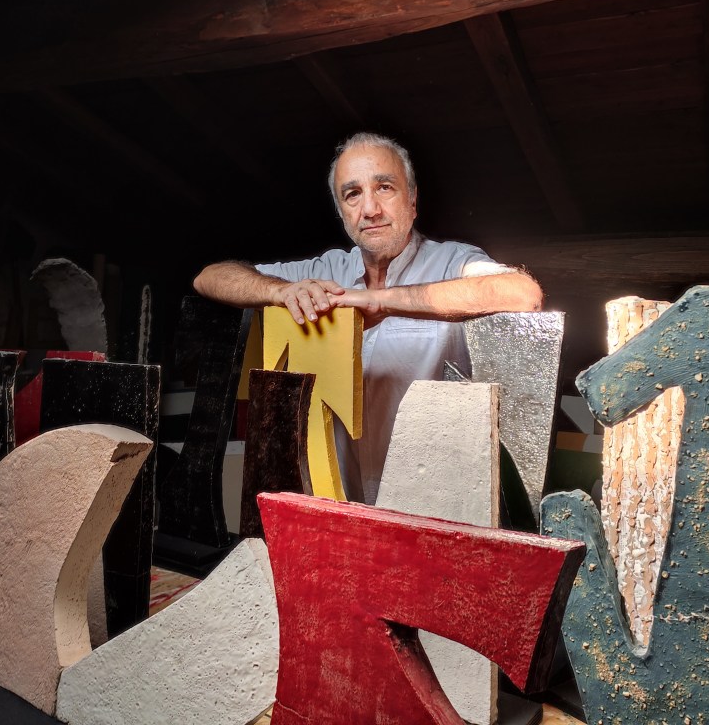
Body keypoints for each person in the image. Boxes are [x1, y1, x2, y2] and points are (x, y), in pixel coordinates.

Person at [192, 131, 543, 504]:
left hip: (432, 503)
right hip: (341, 502)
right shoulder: (325, 271)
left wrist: (380, 301)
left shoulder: (451, 262)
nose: (370, 209)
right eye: (353, 194)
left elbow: (522, 292)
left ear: (412, 200)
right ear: (342, 212)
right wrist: (279, 292)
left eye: (384, 188)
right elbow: (209, 277)